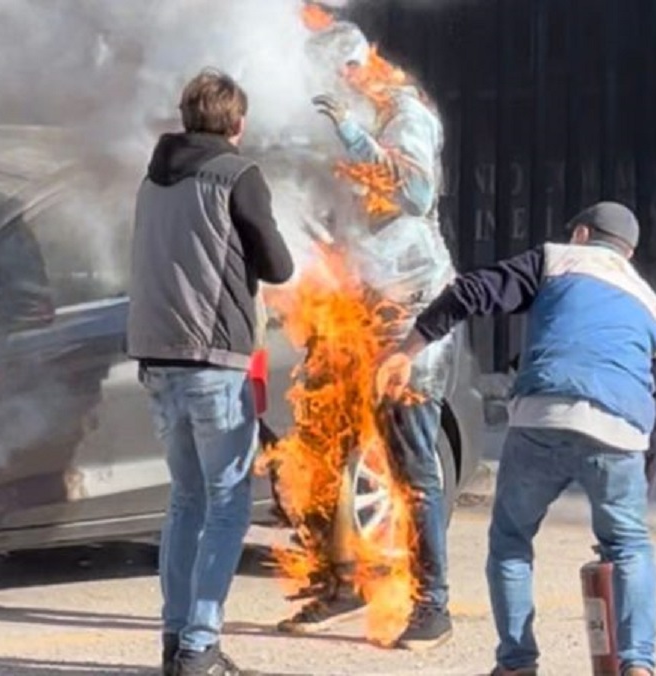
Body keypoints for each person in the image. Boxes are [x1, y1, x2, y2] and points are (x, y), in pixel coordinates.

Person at [376, 202, 656, 676]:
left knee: (512, 540)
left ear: (580, 234)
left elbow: (470, 291)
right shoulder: (653, 308)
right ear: (629, 253)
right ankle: (638, 667)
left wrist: (408, 350)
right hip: (620, 431)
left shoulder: (557, 260)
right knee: (630, 546)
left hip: (543, 415)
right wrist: (642, 490)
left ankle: (516, 664)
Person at [275, 19, 458, 652]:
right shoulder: (338, 119)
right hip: (355, 304)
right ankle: (337, 583)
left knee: (411, 463)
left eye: (330, 77)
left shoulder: (403, 114)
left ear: (354, 70)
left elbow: (414, 192)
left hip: (409, 312)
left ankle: (433, 605)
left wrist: (353, 136)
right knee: (319, 447)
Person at [127, 68, 295, 676]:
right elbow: (277, 265)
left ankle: (176, 641)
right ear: (237, 124)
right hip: (213, 359)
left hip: (157, 356)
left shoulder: (152, 179)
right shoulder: (238, 174)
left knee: (185, 500)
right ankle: (201, 645)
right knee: (227, 503)